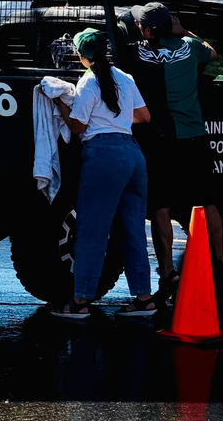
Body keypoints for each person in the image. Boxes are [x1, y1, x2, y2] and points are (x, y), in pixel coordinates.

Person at [120, 2, 223, 302]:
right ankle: (216, 266)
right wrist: (183, 30)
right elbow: (213, 53)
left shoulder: (135, 52)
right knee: (207, 204)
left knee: (160, 208)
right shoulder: (191, 46)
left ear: (147, 30)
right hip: (193, 136)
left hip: (158, 139)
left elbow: (123, 34)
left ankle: (167, 272)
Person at [48, 28, 155, 318]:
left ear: (82, 56)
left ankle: (80, 301)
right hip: (133, 155)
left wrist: (58, 102)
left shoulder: (88, 83)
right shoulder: (125, 78)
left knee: (92, 229)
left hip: (103, 155)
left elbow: (78, 126)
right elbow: (143, 116)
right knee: (132, 229)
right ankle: (144, 298)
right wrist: (116, 115)